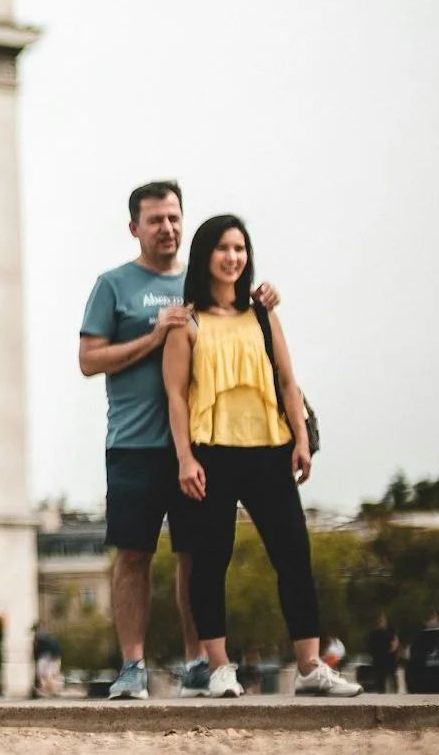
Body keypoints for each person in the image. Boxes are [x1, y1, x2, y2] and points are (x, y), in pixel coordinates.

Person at [79, 181, 280, 699]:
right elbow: (87, 360)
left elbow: (243, 318)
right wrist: (152, 336)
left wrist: (263, 297)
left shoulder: (201, 281)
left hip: (202, 446)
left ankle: (197, 662)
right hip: (134, 445)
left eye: (174, 218)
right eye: (155, 220)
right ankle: (132, 666)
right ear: (134, 228)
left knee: (198, 555)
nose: (167, 228)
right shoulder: (113, 285)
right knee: (133, 556)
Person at [162, 214, 359, 699]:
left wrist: (301, 439)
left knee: (294, 554)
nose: (234, 257)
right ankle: (221, 667)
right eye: (224, 248)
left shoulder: (263, 314)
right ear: (206, 255)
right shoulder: (185, 322)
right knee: (211, 562)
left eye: (241, 248)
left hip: (269, 450)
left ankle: (310, 666)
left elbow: (288, 381)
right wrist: (185, 458)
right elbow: (176, 397)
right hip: (211, 454)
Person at [367, 614, 400, 694]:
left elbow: (395, 642)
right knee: (380, 676)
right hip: (379, 658)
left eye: (382, 621)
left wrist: (393, 650)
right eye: (380, 621)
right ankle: (381, 690)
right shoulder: (374, 633)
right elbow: (370, 645)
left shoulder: (390, 631)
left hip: (389, 657)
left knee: (392, 674)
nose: (381, 623)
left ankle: (394, 690)